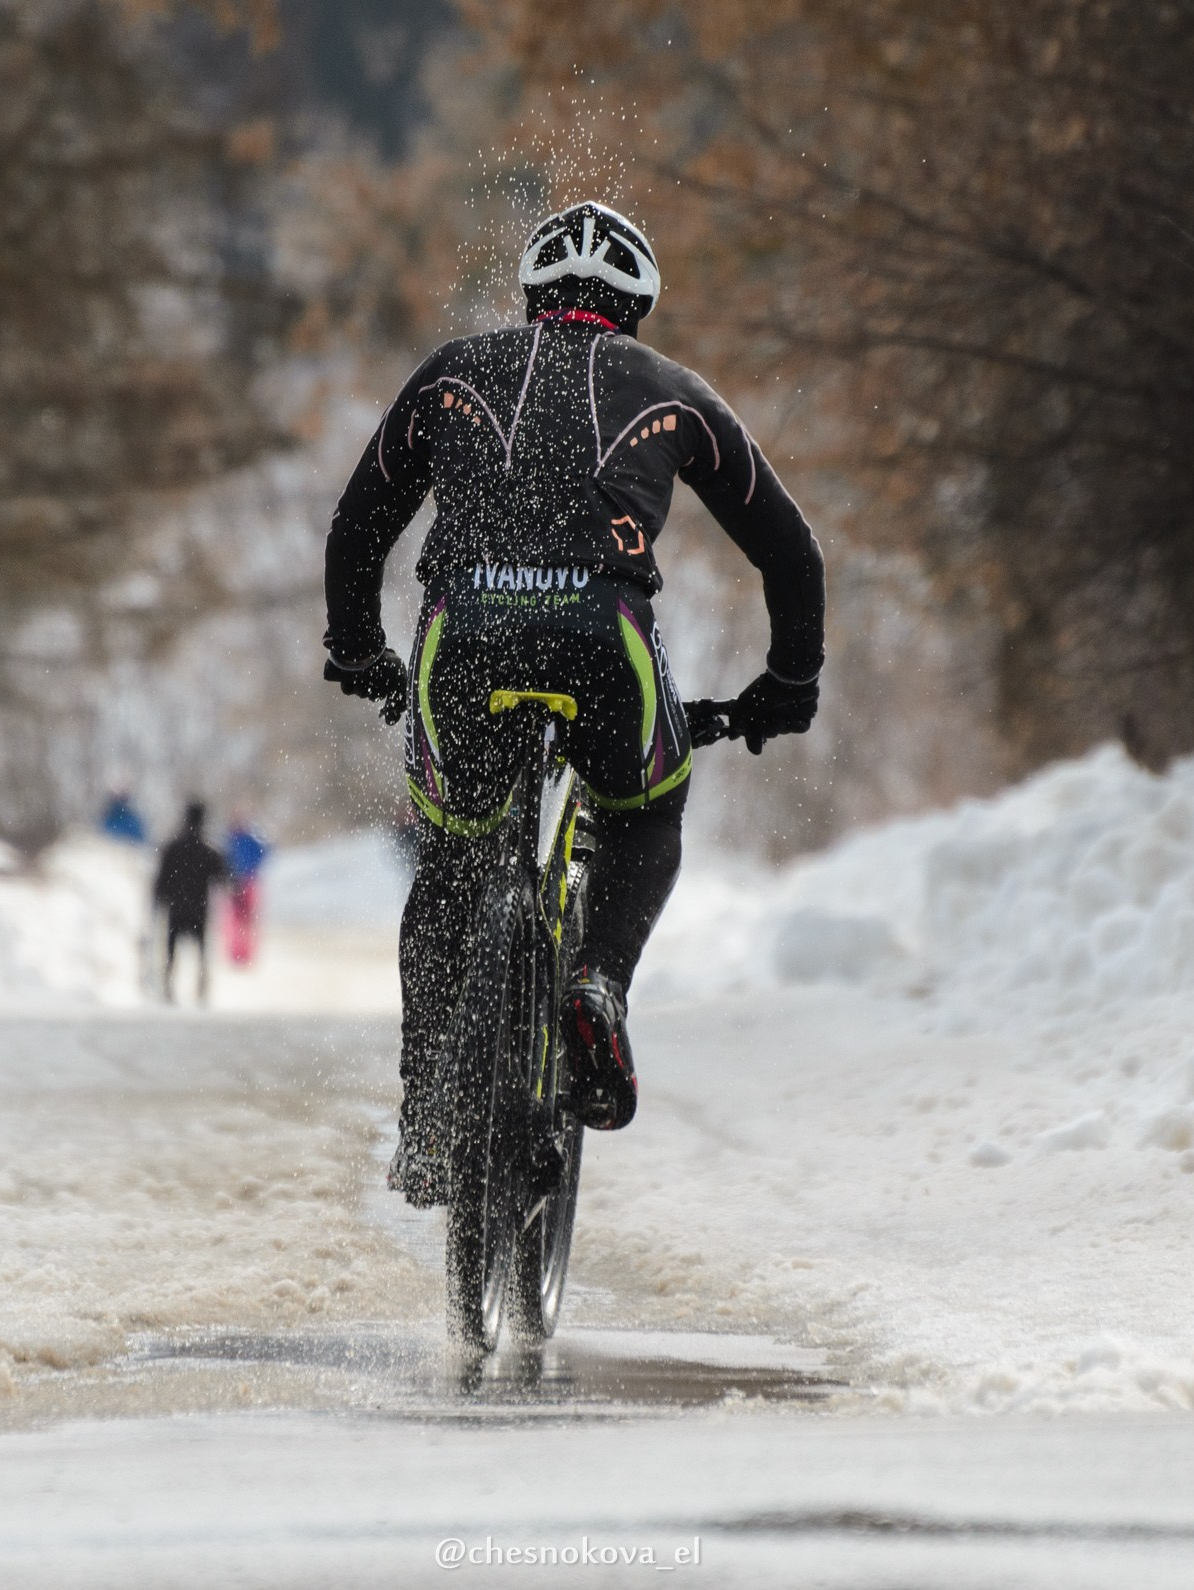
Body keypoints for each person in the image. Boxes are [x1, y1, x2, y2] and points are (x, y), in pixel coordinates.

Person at [321, 200, 826, 1205]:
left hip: (463, 634)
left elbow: (356, 528)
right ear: (635, 306)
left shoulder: (452, 371)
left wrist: (361, 652)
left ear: (531, 299)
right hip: (604, 637)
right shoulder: (673, 391)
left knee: (454, 854)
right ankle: (597, 980)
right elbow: (790, 550)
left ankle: (428, 1118)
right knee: (644, 810)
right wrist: (788, 686)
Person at [151, 802, 227, 1005]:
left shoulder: (172, 849)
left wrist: (158, 901)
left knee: (171, 948)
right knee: (201, 949)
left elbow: (160, 880)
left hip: (176, 908)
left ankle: (168, 986)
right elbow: (224, 878)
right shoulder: (209, 851)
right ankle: (201, 987)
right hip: (199, 909)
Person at [222, 816, 270, 968]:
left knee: (239, 920)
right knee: (243, 920)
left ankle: (240, 953)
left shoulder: (233, 841)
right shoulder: (243, 840)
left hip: (241, 882)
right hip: (245, 882)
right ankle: (241, 953)